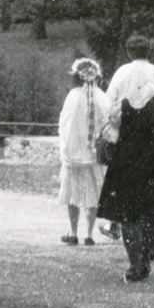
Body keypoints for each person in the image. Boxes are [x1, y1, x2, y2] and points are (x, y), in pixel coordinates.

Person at [97, 60, 154, 282]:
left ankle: (135, 264)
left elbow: (110, 136)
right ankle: (147, 254)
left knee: (128, 215)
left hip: (127, 163)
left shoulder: (122, 106)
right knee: (152, 212)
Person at [57, 58, 111, 246]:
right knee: (93, 193)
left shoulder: (73, 96)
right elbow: (107, 126)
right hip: (94, 155)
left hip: (74, 155)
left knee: (73, 192)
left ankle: (73, 232)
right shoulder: (103, 97)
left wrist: (67, 147)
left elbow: (65, 124)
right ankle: (89, 234)